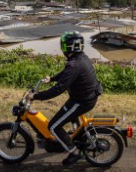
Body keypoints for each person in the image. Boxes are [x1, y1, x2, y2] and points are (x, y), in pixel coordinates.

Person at [27, 30, 103, 166]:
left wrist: (35, 96)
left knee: (53, 126)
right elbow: (66, 73)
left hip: (81, 101)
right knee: (67, 114)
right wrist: (52, 78)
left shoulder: (74, 64)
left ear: (68, 47)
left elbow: (58, 89)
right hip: (87, 97)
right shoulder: (80, 58)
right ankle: (75, 133)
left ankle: (75, 152)